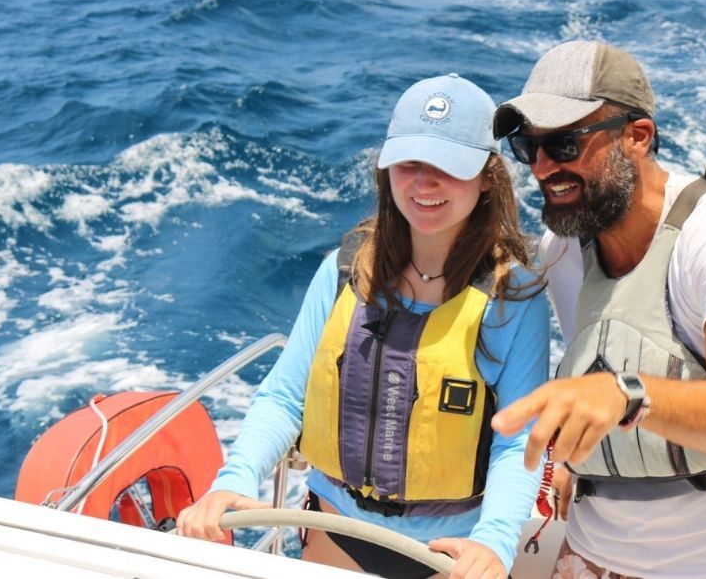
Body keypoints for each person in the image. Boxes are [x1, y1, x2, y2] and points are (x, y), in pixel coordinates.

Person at [177, 73, 550, 579]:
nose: (425, 182)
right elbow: (286, 397)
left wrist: (495, 542)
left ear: (488, 176)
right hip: (338, 533)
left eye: (449, 166)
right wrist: (234, 479)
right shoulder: (343, 271)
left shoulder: (514, 299)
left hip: (451, 552)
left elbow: (518, 439)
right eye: (410, 163)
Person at [489, 41, 706, 579]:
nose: (544, 167)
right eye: (529, 148)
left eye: (565, 144)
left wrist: (626, 394)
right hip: (591, 554)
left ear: (637, 137)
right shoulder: (565, 251)